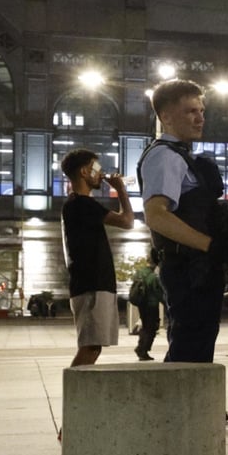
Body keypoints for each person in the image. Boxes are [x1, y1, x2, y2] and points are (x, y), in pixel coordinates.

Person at [138, 79, 228, 364]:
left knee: (197, 345)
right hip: (187, 268)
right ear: (165, 116)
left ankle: (197, 407)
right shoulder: (165, 157)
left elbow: (196, 211)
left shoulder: (180, 156)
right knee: (189, 349)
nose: (200, 117)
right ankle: (181, 407)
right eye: (191, 111)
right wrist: (213, 246)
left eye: (201, 110)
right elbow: (156, 215)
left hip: (196, 267)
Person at [60, 148, 135, 370]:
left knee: (93, 345)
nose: (101, 174)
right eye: (97, 169)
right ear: (84, 171)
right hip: (92, 285)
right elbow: (128, 221)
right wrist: (121, 190)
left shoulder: (76, 204)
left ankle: (77, 394)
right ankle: (74, 395)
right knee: (91, 346)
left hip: (90, 283)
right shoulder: (83, 204)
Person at [132, 249, 165, 361]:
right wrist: (166, 302)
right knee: (151, 328)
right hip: (151, 305)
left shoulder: (140, 272)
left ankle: (141, 348)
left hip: (142, 304)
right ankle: (142, 349)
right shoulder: (152, 276)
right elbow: (158, 292)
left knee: (146, 327)